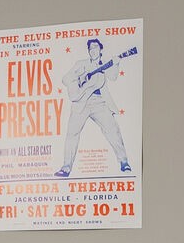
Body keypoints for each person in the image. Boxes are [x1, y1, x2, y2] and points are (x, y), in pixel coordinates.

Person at [57, 37, 132, 178]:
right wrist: (79, 78)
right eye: (90, 49)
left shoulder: (106, 64)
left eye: (95, 48)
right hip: (81, 102)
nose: (93, 51)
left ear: (101, 49)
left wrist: (115, 64)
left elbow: (113, 77)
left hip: (99, 102)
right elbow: (66, 79)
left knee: (112, 129)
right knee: (72, 134)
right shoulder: (81, 64)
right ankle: (66, 167)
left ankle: (124, 162)